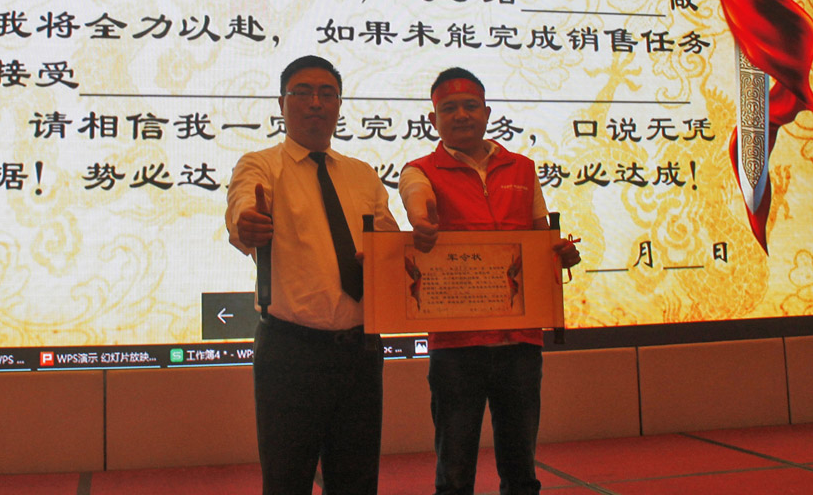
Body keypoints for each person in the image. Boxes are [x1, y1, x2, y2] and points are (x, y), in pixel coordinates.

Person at [398, 67, 581, 495]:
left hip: (520, 341)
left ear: (487, 112)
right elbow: (415, 196)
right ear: (433, 120)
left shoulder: (522, 168)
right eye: (449, 108)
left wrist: (561, 254)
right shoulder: (419, 170)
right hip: (455, 346)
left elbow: (540, 236)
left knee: (521, 471)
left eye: (470, 106)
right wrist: (421, 219)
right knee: (454, 471)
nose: (461, 115)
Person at [225, 55, 399, 495]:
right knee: (286, 481)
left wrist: (395, 253)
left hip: (360, 352)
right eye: (302, 92)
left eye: (327, 93)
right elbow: (243, 209)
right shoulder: (261, 165)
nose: (315, 102)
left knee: (357, 481)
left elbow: (389, 246)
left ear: (339, 105)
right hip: (290, 352)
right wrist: (247, 225)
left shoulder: (362, 174)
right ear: (281, 104)